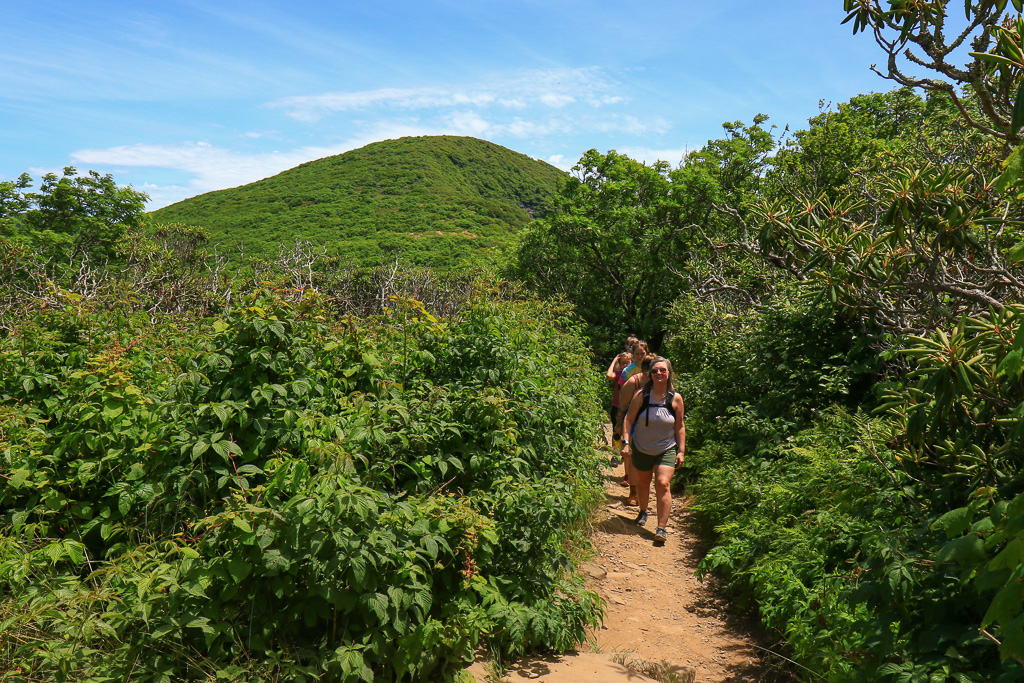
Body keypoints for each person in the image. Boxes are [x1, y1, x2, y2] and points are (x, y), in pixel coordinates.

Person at [621, 356, 685, 546]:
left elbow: (680, 426)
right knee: (642, 482)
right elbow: (628, 419)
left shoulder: (676, 398)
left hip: (667, 448)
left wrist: (681, 451)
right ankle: (643, 510)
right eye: (655, 370)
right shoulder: (641, 396)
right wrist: (626, 442)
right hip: (641, 447)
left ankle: (661, 528)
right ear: (650, 374)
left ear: (669, 373)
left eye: (662, 370)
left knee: (663, 483)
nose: (659, 373)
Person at [618, 353, 655, 505]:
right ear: (644, 369)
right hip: (634, 424)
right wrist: (619, 426)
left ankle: (644, 488)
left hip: (655, 425)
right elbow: (622, 405)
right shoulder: (634, 381)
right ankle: (633, 491)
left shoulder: (663, 383)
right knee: (633, 459)